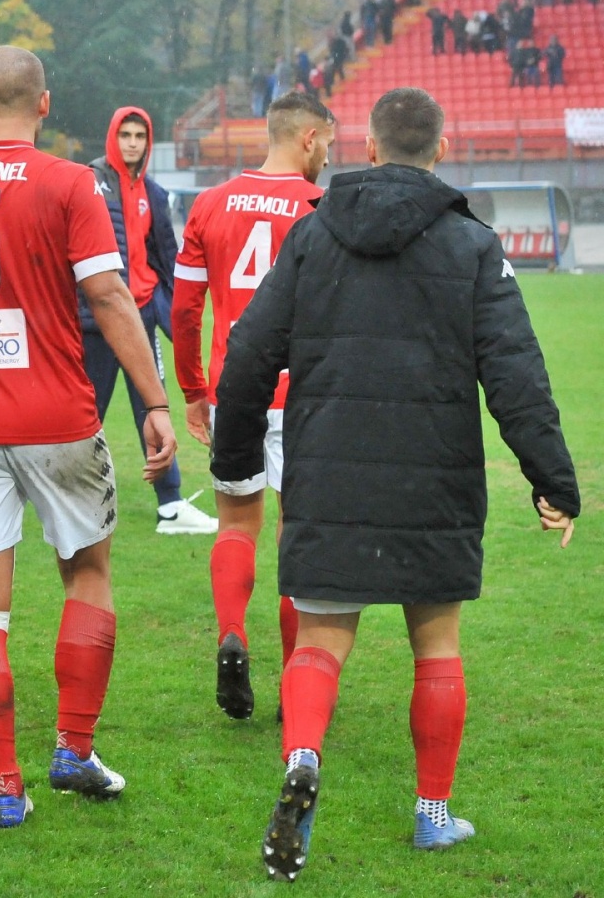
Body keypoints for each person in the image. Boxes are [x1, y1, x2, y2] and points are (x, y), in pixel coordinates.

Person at [211, 87, 579, 881]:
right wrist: (554, 481)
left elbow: (246, 355)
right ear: (439, 151)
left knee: (319, 640)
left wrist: (234, 455)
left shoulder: (310, 236)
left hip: (327, 465)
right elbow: (517, 374)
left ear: (370, 150)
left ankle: (303, 759)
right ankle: (433, 816)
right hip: (434, 475)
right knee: (435, 646)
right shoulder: (473, 246)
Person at [0, 45, 179, 829]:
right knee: (87, 574)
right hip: (56, 414)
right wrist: (155, 402)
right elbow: (112, 296)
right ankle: (74, 750)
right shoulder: (68, 182)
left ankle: (3, 787)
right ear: (44, 105)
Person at [171, 92, 335, 721]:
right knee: (299, 534)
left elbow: (185, 311)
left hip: (236, 388)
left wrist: (192, 389)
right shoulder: (323, 208)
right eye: (327, 146)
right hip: (307, 394)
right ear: (309, 138)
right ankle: (299, 679)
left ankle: (231, 633)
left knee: (238, 525)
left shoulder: (211, 204)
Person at [86, 107, 216, 535]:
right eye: (125, 134)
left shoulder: (155, 195)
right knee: (86, 413)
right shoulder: (89, 184)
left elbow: (166, 259)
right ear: (113, 136)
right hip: (98, 320)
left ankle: (171, 505)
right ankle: (68, 496)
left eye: (140, 135)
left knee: (153, 407)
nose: (132, 143)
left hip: (139, 318)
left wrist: (173, 313)